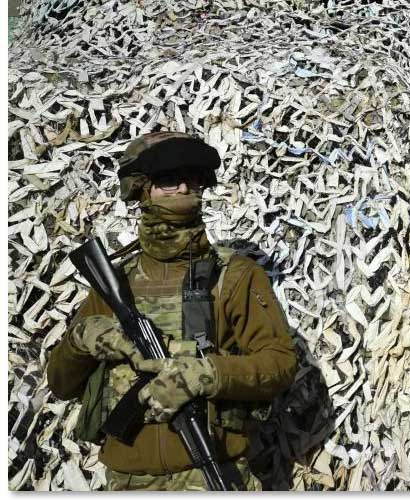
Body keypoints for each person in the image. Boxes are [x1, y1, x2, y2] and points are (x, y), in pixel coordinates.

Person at [46, 132, 298, 490]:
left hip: (213, 472)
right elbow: (60, 384)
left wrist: (205, 374)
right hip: (129, 481)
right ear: (141, 189)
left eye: (192, 179)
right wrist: (81, 339)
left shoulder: (234, 276)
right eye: (168, 179)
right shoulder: (116, 284)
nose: (183, 188)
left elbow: (280, 364)